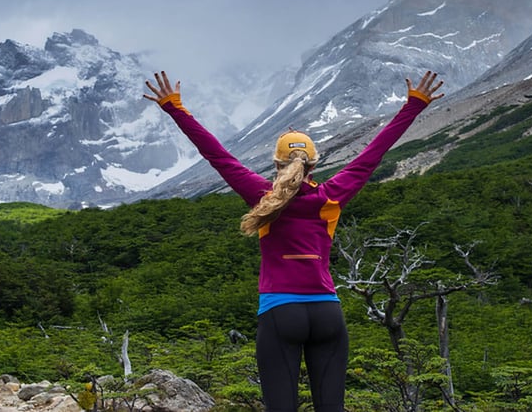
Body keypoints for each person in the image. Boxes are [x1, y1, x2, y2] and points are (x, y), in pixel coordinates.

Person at [144, 70, 444, 412]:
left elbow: (218, 155)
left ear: (276, 163)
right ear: (315, 163)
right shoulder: (331, 197)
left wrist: (175, 108)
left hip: (280, 313)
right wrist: (414, 105)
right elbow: (373, 153)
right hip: (328, 313)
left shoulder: (262, 195)